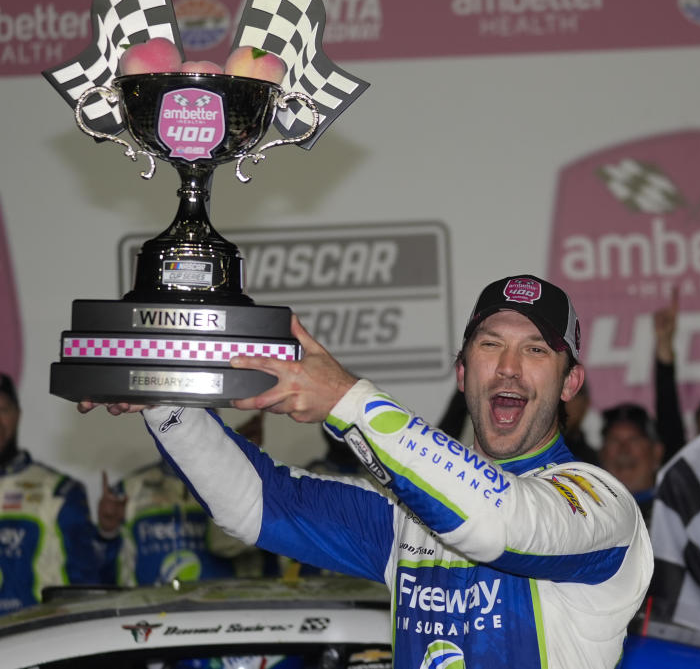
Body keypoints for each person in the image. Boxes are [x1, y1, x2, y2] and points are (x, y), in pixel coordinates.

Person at [81, 274, 653, 669]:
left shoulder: (602, 505)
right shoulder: (413, 513)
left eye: (535, 351)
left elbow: (496, 523)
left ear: (570, 383)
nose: (507, 367)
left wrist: (345, 400)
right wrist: (163, 401)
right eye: (490, 344)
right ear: (462, 373)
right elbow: (256, 503)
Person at [97, 411, 279, 585]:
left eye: (201, 419)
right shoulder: (129, 489)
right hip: (148, 613)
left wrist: (242, 463)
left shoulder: (237, 484)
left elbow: (265, 557)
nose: (188, 429)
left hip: (222, 612)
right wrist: (107, 531)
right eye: (178, 417)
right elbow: (101, 571)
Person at [0, 373, 100, 615]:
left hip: (35, 643)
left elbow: (88, 586)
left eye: (2, 409)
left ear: (18, 415)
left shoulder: (58, 491)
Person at [598, 402, 662, 523]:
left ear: (656, 453)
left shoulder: (676, 512)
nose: (624, 450)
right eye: (614, 441)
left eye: (634, 440)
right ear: (602, 453)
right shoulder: (583, 511)